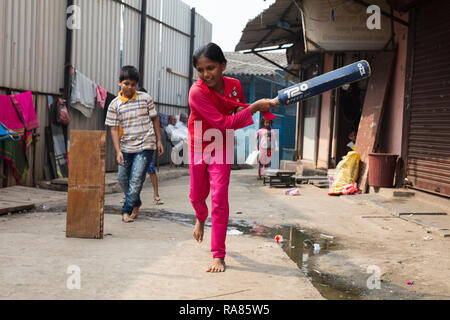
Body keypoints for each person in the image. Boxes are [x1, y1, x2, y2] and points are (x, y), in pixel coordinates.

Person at [188, 42, 277, 272]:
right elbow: (222, 122)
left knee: (219, 199)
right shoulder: (196, 92)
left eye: (211, 68)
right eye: (200, 69)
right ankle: (200, 217)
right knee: (197, 195)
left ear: (223, 66)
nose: (206, 74)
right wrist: (256, 107)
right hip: (199, 144)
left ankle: (218, 254)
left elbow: (235, 110)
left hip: (222, 144)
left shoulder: (235, 86)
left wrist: (255, 107)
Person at [105, 66, 164, 223]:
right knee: (122, 178)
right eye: (126, 83)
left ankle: (126, 210)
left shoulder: (145, 98)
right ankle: (136, 202)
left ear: (137, 85)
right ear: (119, 83)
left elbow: (155, 119)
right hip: (125, 147)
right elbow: (113, 129)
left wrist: (159, 140)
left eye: (133, 84)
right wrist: (118, 151)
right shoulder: (114, 104)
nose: (129, 87)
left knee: (136, 178)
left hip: (146, 144)